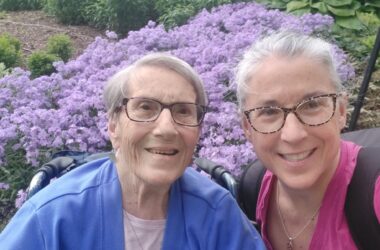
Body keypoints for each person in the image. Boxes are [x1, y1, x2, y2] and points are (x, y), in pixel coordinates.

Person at [0, 53, 265, 249]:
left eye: (183, 111)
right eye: (145, 108)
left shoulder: (217, 214)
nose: (166, 128)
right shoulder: (52, 217)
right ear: (113, 125)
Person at [235, 31, 380, 250]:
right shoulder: (253, 186)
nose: (293, 135)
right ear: (247, 126)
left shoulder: (374, 196)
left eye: (312, 104)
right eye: (269, 111)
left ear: (340, 111)